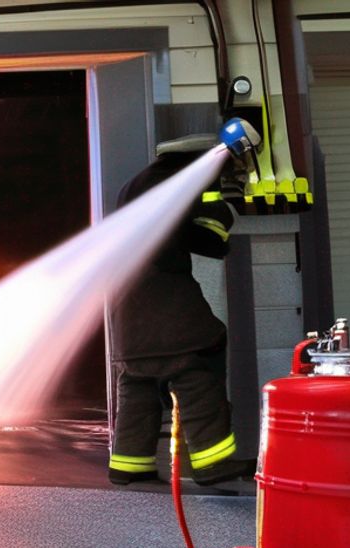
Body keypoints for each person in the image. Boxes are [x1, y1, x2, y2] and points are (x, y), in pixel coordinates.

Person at [107, 133, 254, 487]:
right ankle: (212, 461)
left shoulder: (141, 184)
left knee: (139, 377)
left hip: (127, 309)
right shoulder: (187, 181)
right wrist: (226, 209)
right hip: (164, 302)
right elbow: (209, 240)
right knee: (198, 360)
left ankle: (128, 463)